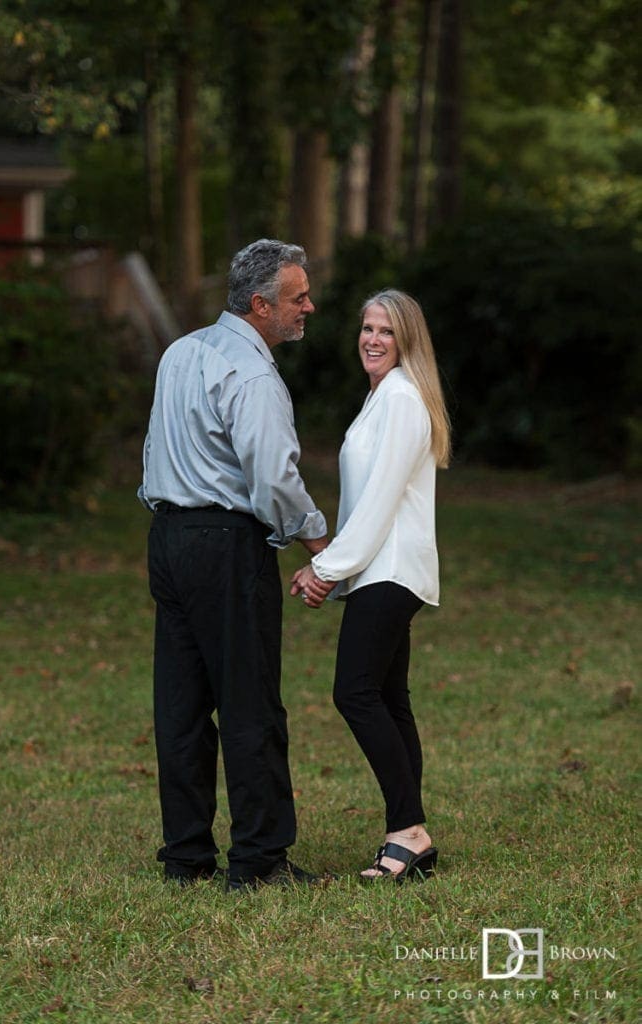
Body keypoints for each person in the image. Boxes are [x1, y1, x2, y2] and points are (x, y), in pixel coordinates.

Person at [139, 239, 331, 891]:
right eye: (297, 297)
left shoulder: (181, 352)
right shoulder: (253, 375)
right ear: (260, 306)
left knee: (182, 705)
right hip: (225, 546)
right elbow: (273, 478)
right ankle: (258, 861)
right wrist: (317, 542)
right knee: (250, 704)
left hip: (168, 539)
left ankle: (187, 857)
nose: (309, 306)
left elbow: (154, 445)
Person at [291, 288, 451, 883]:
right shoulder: (381, 398)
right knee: (388, 698)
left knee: (354, 692)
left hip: (389, 571)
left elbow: (380, 504)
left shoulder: (403, 400)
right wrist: (338, 572)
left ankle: (407, 829)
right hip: (376, 570)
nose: (372, 339)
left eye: (386, 330)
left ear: (407, 340)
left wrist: (325, 569)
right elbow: (364, 502)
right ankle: (413, 837)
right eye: (366, 328)